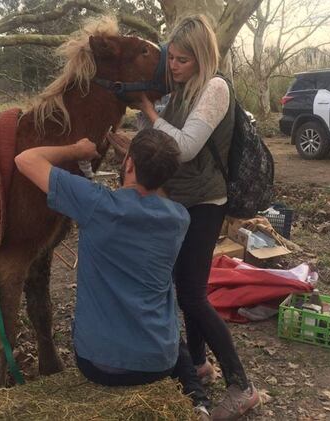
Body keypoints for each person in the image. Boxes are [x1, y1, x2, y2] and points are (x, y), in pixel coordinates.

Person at [108, 15, 259, 420]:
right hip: (183, 200)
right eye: (171, 59)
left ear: (203, 57)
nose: (172, 67)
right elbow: (161, 138)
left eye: (182, 60)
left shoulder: (215, 88)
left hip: (207, 202)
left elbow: (187, 147)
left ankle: (241, 385)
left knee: (192, 292)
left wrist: (150, 114)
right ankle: (198, 364)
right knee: (184, 285)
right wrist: (141, 125)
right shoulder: (181, 90)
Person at [15, 129, 213, 420]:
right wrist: (142, 160)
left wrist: (76, 150)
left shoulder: (95, 204)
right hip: (158, 363)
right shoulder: (179, 218)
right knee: (167, 320)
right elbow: (146, 196)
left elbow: (26, 159)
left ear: (128, 164)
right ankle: (198, 401)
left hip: (98, 364)